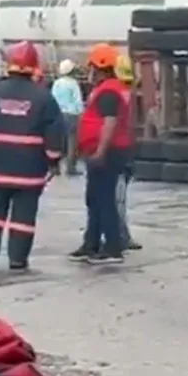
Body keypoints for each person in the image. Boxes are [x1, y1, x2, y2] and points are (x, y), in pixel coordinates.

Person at [0, 41, 65, 271]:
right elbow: (55, 132)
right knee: (24, 215)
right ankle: (17, 259)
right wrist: (52, 161)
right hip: (30, 171)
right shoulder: (44, 98)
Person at [70, 43, 131, 265]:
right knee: (94, 199)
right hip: (101, 150)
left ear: (101, 67)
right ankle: (91, 243)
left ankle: (113, 247)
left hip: (106, 152)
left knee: (103, 199)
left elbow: (109, 123)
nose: (90, 72)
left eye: (92, 68)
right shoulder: (110, 89)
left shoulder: (108, 92)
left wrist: (100, 151)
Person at [113, 54, 142, 251]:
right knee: (119, 198)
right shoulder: (133, 97)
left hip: (117, 154)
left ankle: (121, 236)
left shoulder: (114, 96)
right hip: (126, 154)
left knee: (115, 199)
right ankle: (121, 235)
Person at [51, 59, 84, 177]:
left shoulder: (57, 83)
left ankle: (55, 168)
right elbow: (78, 101)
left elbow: (52, 99)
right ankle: (71, 168)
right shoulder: (73, 83)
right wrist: (81, 114)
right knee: (72, 142)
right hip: (71, 114)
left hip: (58, 114)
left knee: (59, 142)